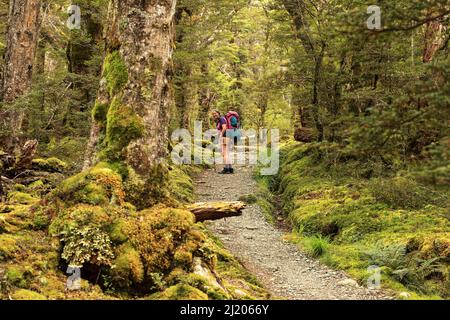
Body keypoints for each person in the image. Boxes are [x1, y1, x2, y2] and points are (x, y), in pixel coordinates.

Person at [212, 110, 234, 174]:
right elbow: (220, 130)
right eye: (213, 114)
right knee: (226, 153)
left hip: (225, 136)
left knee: (224, 153)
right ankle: (230, 168)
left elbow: (224, 128)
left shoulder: (222, 119)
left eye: (215, 113)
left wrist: (221, 136)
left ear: (218, 113)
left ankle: (226, 168)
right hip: (226, 136)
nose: (214, 115)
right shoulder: (219, 121)